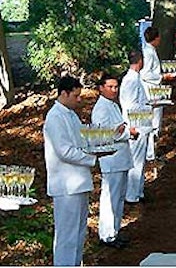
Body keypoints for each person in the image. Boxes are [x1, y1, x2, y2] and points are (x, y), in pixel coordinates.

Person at [43, 76, 98, 266]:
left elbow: (83, 139)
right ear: (64, 93)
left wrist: (103, 143)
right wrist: (92, 159)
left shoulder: (71, 114)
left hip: (79, 182)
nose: (79, 100)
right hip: (65, 185)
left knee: (79, 231)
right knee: (67, 234)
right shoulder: (54, 117)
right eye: (76, 96)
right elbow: (64, 151)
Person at [91, 73, 135, 249]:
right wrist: (126, 132)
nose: (114, 90)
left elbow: (117, 128)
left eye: (116, 87)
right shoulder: (101, 108)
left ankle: (114, 231)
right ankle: (107, 234)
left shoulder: (112, 105)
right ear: (101, 88)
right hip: (112, 159)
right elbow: (105, 134)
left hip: (120, 157)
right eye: (110, 87)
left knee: (118, 197)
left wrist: (122, 130)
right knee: (110, 197)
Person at [119, 49, 152, 204]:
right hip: (136, 125)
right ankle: (131, 194)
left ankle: (138, 191)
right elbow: (131, 105)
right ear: (140, 61)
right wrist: (134, 127)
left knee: (141, 160)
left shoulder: (134, 78)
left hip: (142, 123)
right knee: (136, 161)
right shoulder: (131, 80)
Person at [140, 26, 175, 162]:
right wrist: (163, 77)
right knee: (153, 123)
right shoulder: (148, 53)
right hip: (151, 90)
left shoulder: (150, 51)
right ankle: (150, 154)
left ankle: (151, 152)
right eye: (159, 37)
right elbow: (146, 74)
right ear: (155, 38)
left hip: (154, 89)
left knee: (155, 122)